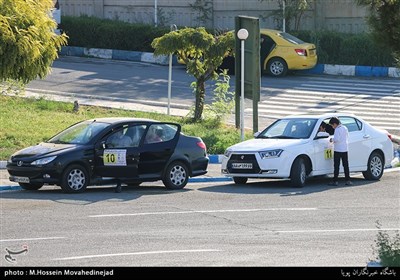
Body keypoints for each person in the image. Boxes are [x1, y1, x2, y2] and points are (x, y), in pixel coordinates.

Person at [328, 117, 352, 186]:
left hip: (338, 150)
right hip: (345, 149)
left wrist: (331, 139)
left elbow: (336, 139)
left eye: (332, 125)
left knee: (336, 166)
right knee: (346, 165)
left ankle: (335, 180)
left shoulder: (337, 130)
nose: (332, 127)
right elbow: (347, 137)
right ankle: (348, 180)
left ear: (335, 124)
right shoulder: (345, 128)